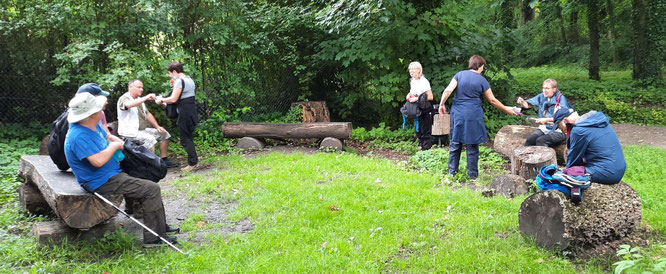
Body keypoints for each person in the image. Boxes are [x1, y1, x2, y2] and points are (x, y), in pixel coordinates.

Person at [64, 91, 178, 246]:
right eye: (99, 109)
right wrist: (115, 146)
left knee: (146, 179)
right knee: (151, 189)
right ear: (91, 114)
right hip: (100, 181)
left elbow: (105, 137)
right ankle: (154, 238)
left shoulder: (90, 125)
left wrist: (114, 140)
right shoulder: (78, 136)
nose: (101, 111)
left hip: (111, 173)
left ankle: (160, 227)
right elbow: (97, 161)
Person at [439, 55, 518, 180]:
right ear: (480, 66)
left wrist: (442, 104)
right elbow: (492, 100)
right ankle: (473, 176)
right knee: (472, 145)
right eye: (483, 67)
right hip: (473, 115)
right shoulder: (482, 80)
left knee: (455, 143)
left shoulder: (459, 75)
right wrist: (506, 109)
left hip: (458, 113)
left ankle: (451, 174)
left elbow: (448, 90)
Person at [553, 108, 626, 184]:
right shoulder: (599, 121)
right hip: (619, 168)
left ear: (565, 121)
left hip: (608, 173)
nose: (562, 130)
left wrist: (567, 172)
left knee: (562, 176)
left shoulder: (579, 130)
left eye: (560, 127)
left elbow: (574, 160)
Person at [117, 79, 178, 168]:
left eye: (142, 87)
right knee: (150, 139)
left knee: (164, 134)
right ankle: (151, 166)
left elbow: (147, 114)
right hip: (129, 132)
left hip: (142, 130)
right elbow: (128, 105)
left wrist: (157, 127)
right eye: (139, 87)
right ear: (130, 87)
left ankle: (164, 159)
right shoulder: (125, 98)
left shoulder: (139, 99)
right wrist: (145, 98)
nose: (141, 89)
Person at [156, 61, 199, 171]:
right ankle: (193, 161)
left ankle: (192, 163)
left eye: (170, 73)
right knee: (187, 136)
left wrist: (161, 99)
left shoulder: (180, 81)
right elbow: (183, 98)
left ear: (174, 71)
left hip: (185, 113)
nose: (170, 76)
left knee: (185, 138)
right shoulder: (190, 79)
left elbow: (173, 99)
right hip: (191, 111)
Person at [516, 78, 571, 147]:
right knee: (530, 140)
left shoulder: (561, 99)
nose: (544, 90)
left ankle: (544, 157)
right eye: (543, 88)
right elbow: (528, 105)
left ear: (554, 89)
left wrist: (546, 120)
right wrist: (522, 102)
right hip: (545, 127)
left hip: (560, 130)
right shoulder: (542, 96)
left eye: (547, 88)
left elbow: (563, 116)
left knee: (541, 140)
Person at [405, 61, 434, 150]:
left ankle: (426, 150)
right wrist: (409, 95)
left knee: (425, 129)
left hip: (426, 108)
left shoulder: (424, 81)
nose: (411, 71)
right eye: (410, 69)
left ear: (419, 70)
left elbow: (430, 97)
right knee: (419, 128)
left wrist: (416, 98)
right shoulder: (413, 81)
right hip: (417, 108)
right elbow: (413, 92)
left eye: (413, 69)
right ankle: (421, 146)